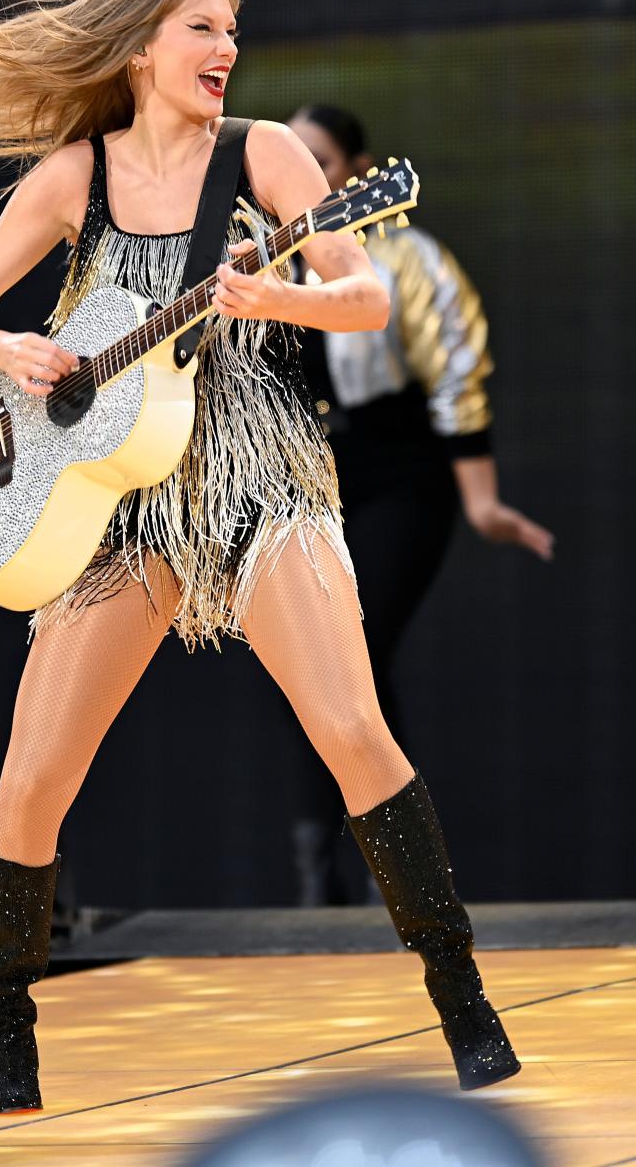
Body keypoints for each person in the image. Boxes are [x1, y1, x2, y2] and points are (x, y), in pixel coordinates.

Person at [0, 0, 521, 1113]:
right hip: (117, 497)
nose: (226, 51)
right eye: (202, 31)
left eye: (232, 31)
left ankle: (464, 1001)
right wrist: (14, 351)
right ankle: (5, 1023)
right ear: (138, 50)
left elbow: (362, 294)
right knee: (33, 782)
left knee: (354, 730)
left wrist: (282, 298)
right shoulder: (75, 175)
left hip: (259, 472)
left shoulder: (265, 155)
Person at [284, 104, 554, 903]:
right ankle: (323, 870)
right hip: (304, 481)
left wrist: (481, 503)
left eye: (321, 160)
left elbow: (457, 380)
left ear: (356, 169)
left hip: (399, 472)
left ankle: (387, 863)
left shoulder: (404, 260)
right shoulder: (258, 263)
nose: (304, 176)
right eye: (291, 160)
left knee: (352, 651)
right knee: (311, 666)